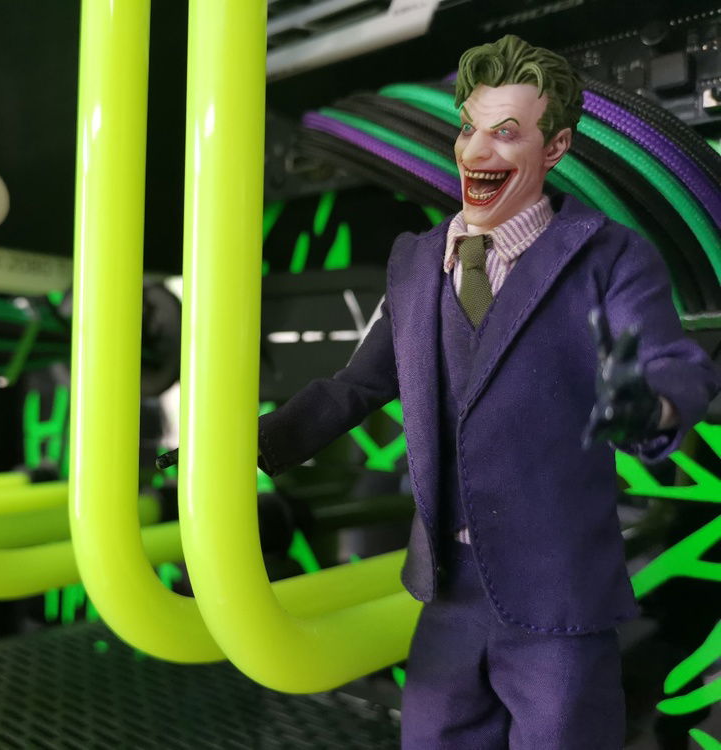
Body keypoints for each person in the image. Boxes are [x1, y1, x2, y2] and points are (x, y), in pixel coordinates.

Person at [251, 36, 720, 748]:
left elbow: (671, 360)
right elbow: (361, 383)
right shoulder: (417, 262)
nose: (476, 152)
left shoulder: (607, 256)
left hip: (556, 594)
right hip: (448, 586)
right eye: (469, 128)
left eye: (506, 133)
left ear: (555, 146)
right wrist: (256, 446)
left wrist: (652, 405)